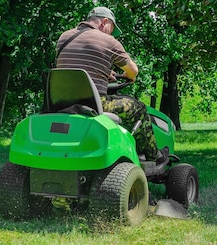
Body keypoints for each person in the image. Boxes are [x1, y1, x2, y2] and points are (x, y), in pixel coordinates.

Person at [55, 6, 166, 164]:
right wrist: (129, 76)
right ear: (104, 22)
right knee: (138, 108)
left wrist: (105, 74)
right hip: (93, 103)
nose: (111, 34)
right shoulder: (108, 41)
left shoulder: (64, 37)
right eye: (111, 29)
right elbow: (133, 70)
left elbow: (75, 68)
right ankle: (154, 156)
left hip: (61, 101)